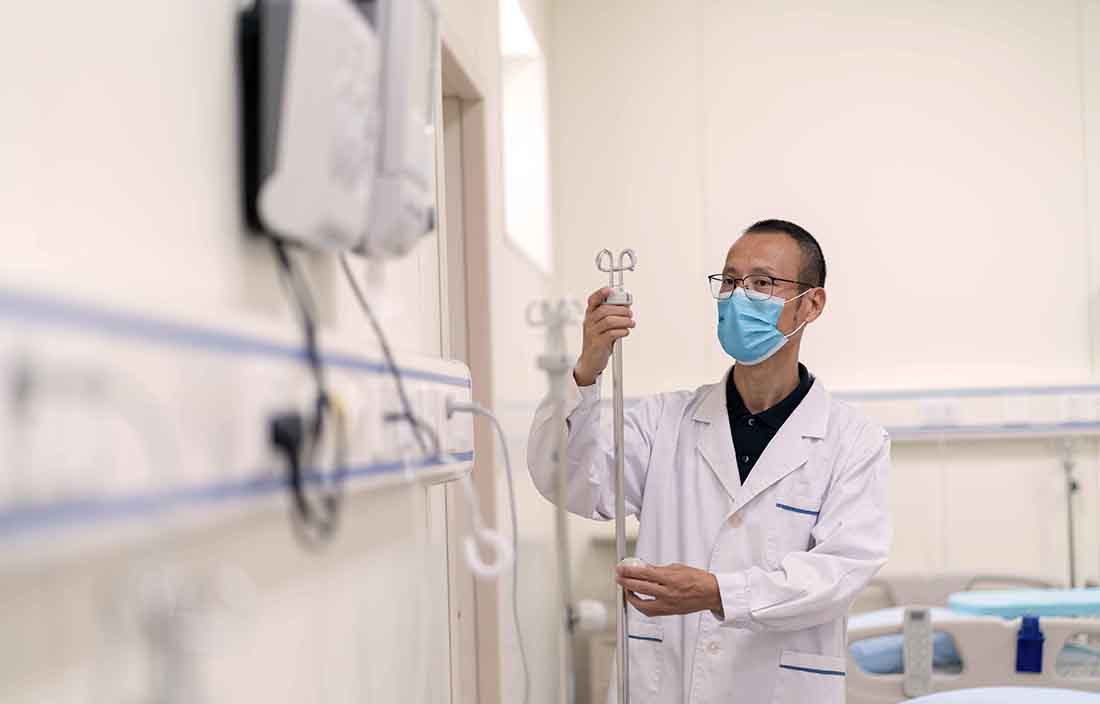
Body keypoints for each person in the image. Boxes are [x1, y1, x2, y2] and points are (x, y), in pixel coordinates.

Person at [527, 219, 891, 703]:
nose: (739, 297)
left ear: (811, 304)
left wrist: (720, 593)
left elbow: (839, 572)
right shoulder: (665, 421)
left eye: (762, 283)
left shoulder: (854, 441)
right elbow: (568, 480)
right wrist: (588, 369)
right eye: (730, 281)